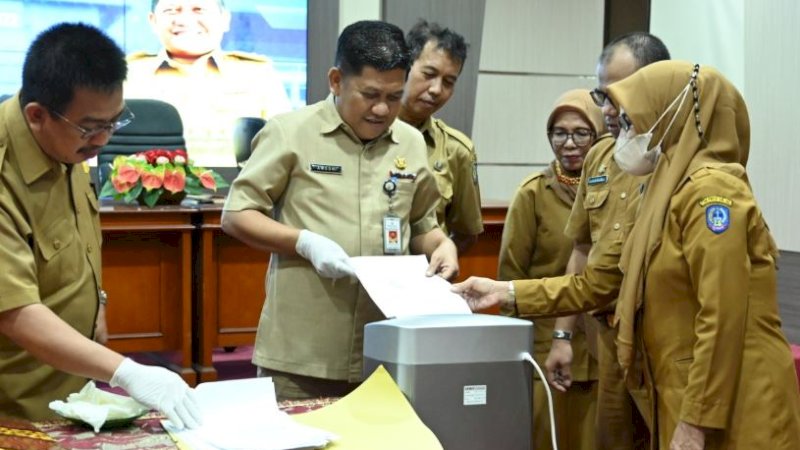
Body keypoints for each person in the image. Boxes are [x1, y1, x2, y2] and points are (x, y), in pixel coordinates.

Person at [221, 20, 458, 401]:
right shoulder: (290, 132)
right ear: (336, 80)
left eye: (394, 97)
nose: (382, 109)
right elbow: (236, 215)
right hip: (302, 356)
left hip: (386, 349)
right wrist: (303, 242)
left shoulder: (411, 143)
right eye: (369, 94)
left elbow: (421, 224)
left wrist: (440, 245)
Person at [455, 32, 670, 449]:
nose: (608, 109)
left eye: (616, 95)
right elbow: (585, 259)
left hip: (661, 347)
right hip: (605, 341)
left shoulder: (683, 165)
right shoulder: (601, 160)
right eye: (601, 94)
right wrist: (555, 331)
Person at [0, 23, 200, 428]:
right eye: (92, 128)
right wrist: (127, 371)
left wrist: (99, 300)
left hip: (70, 386)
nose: (104, 140)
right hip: (15, 406)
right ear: (36, 115)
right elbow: (13, 311)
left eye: (114, 122)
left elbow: (75, 237)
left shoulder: (65, 143)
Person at [606, 59, 800, 449]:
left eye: (634, 120)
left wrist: (695, 421)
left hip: (737, 405)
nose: (627, 133)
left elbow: (722, 312)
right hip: (697, 393)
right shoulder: (670, 189)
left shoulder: (712, 193)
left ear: (668, 117)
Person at [498, 89, 604, 450]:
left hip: (602, 350)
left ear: (600, 135)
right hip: (547, 351)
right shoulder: (533, 194)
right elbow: (510, 281)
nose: (569, 143)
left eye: (581, 133)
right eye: (559, 133)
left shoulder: (615, 192)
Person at [125, 0, 293, 167]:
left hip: (237, 191)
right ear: (153, 21)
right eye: (171, 11)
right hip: (146, 191)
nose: (184, 20)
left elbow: (287, 147)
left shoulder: (257, 74)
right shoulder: (128, 75)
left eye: (198, 10)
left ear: (225, 19)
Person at [398, 20, 483, 254]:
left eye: (448, 82)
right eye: (429, 74)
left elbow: (467, 233)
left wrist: (438, 261)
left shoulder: (457, 150)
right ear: (404, 67)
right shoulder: (368, 131)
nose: (436, 89)